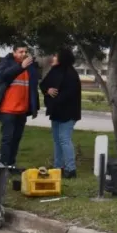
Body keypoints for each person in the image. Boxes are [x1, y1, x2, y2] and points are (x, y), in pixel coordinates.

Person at [0, 44, 40, 170]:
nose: (23, 54)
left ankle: (11, 165)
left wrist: (34, 106)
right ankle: (3, 166)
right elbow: (3, 75)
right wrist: (20, 67)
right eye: (20, 51)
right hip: (8, 109)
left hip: (22, 110)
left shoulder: (30, 66)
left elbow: (34, 85)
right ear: (14, 52)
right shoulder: (6, 62)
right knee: (7, 139)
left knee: (16, 139)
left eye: (25, 51)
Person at [39, 47, 82, 178]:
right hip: (56, 111)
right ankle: (58, 167)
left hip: (68, 112)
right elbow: (43, 85)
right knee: (57, 140)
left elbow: (69, 94)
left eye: (56, 56)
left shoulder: (71, 74)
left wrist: (55, 100)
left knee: (64, 139)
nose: (53, 58)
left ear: (62, 58)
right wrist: (48, 91)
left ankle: (70, 169)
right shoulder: (54, 70)